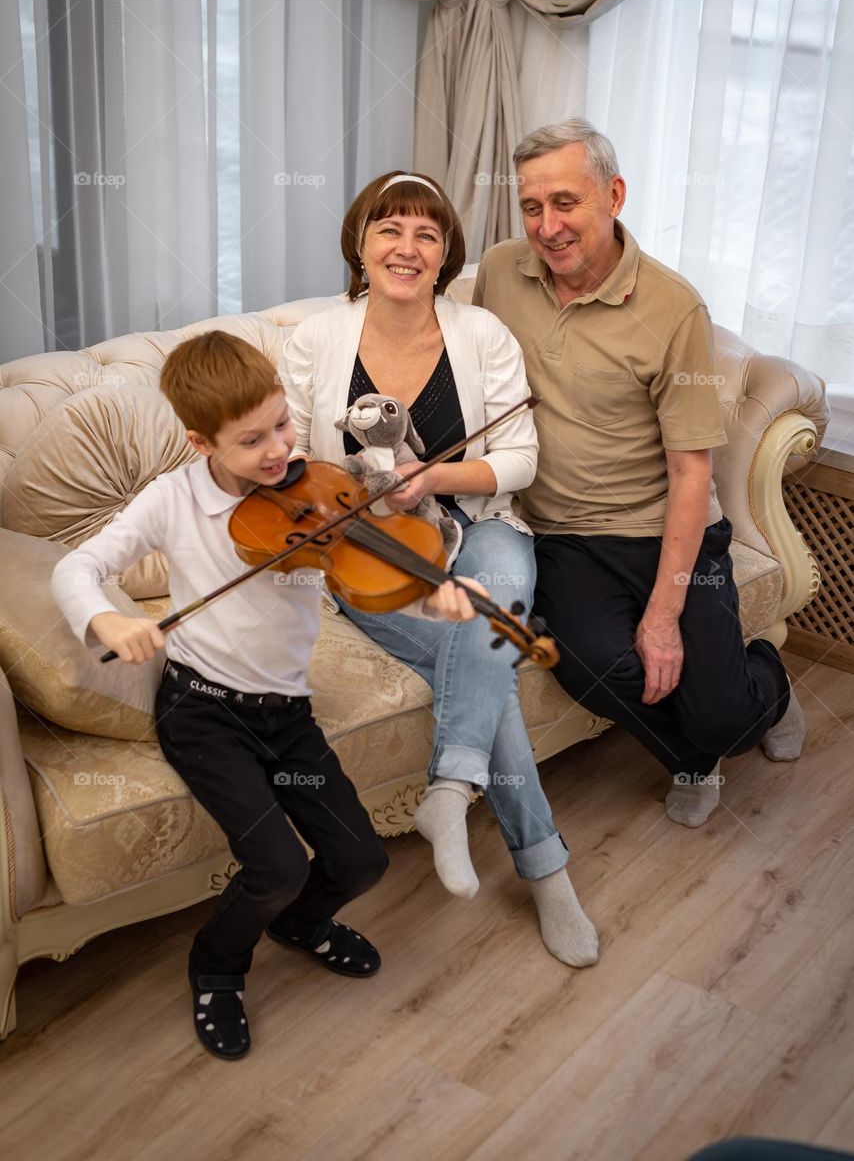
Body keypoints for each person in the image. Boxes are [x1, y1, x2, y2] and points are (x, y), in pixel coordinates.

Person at [50, 331, 479, 1061]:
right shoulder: (172, 501)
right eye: (252, 441)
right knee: (276, 865)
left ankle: (301, 924)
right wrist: (110, 617)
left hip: (286, 716)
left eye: (281, 424)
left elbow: (362, 576)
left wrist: (434, 596)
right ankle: (217, 966)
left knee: (362, 861)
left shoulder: (315, 489)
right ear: (200, 441)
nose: (280, 449)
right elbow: (76, 570)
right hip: (205, 714)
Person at [281, 170, 599, 969]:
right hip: (370, 549)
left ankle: (451, 795)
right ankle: (545, 867)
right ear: (360, 244)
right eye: (389, 229)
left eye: (427, 234)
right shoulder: (314, 339)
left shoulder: (481, 333)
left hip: (481, 524)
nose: (407, 247)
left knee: (490, 604)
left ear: (444, 255)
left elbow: (520, 458)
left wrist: (433, 480)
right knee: (489, 651)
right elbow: (286, 461)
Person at [473, 119, 805, 829]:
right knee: (589, 668)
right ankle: (692, 755)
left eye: (567, 203)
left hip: (671, 531)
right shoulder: (501, 272)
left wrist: (663, 615)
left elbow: (691, 475)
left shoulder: (673, 307)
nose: (548, 226)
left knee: (722, 715)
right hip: (561, 533)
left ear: (613, 194)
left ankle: (768, 682)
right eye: (532, 207)